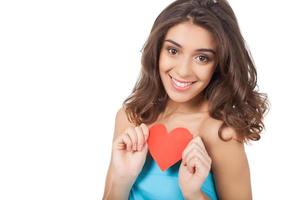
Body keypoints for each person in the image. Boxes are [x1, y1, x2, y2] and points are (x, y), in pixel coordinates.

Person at [102, 0, 269, 199]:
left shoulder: (220, 134)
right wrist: (123, 180)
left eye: (202, 58)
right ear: (157, 51)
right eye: (173, 51)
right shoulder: (130, 118)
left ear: (218, 64)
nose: (183, 71)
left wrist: (193, 193)